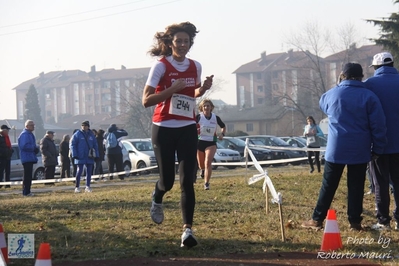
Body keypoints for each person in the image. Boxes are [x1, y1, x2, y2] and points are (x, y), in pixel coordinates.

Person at [142, 21, 213, 247]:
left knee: (187, 181)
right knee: (168, 181)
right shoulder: (161, 66)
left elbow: (191, 92)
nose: (182, 45)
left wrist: (203, 90)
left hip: (187, 128)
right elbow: (146, 100)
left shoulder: (196, 66)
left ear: (190, 43)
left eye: (186, 41)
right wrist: (171, 90)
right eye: (178, 41)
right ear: (170, 43)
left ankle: (188, 231)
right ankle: (157, 195)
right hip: (163, 128)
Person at [301, 63, 387, 231]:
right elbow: (378, 125)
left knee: (328, 185)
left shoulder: (331, 95)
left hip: (336, 149)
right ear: (361, 76)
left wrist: (339, 85)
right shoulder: (369, 96)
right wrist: (378, 148)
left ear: (342, 75)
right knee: (356, 186)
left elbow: (323, 105)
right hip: (359, 149)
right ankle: (355, 222)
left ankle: (317, 219)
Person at [364, 52, 399, 231]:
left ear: (376, 67)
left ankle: (383, 221)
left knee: (380, 183)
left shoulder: (369, 85)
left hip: (379, 144)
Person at [196, 99, 226, 190]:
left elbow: (223, 127)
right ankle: (202, 170)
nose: (206, 107)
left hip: (211, 143)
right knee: (201, 165)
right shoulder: (198, 117)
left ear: (211, 107)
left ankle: (206, 183)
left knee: (208, 162)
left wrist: (222, 134)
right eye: (204, 106)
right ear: (202, 108)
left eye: (208, 106)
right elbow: (191, 126)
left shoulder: (215, 117)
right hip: (199, 142)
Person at [70, 121, 98, 193]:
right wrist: (74, 154)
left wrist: (97, 155)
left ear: (88, 126)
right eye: (82, 125)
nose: (84, 127)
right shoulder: (77, 134)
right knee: (79, 171)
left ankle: (88, 186)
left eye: (85, 125)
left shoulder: (91, 135)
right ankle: (77, 187)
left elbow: (95, 145)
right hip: (80, 156)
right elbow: (73, 144)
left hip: (89, 156)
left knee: (89, 172)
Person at [17, 120, 38, 196]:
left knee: (29, 175)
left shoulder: (29, 134)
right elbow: (24, 146)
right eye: (32, 125)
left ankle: (28, 191)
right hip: (27, 158)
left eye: (33, 125)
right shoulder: (25, 135)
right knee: (27, 176)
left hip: (29, 157)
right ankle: (26, 192)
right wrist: (33, 148)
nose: (33, 127)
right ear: (27, 126)